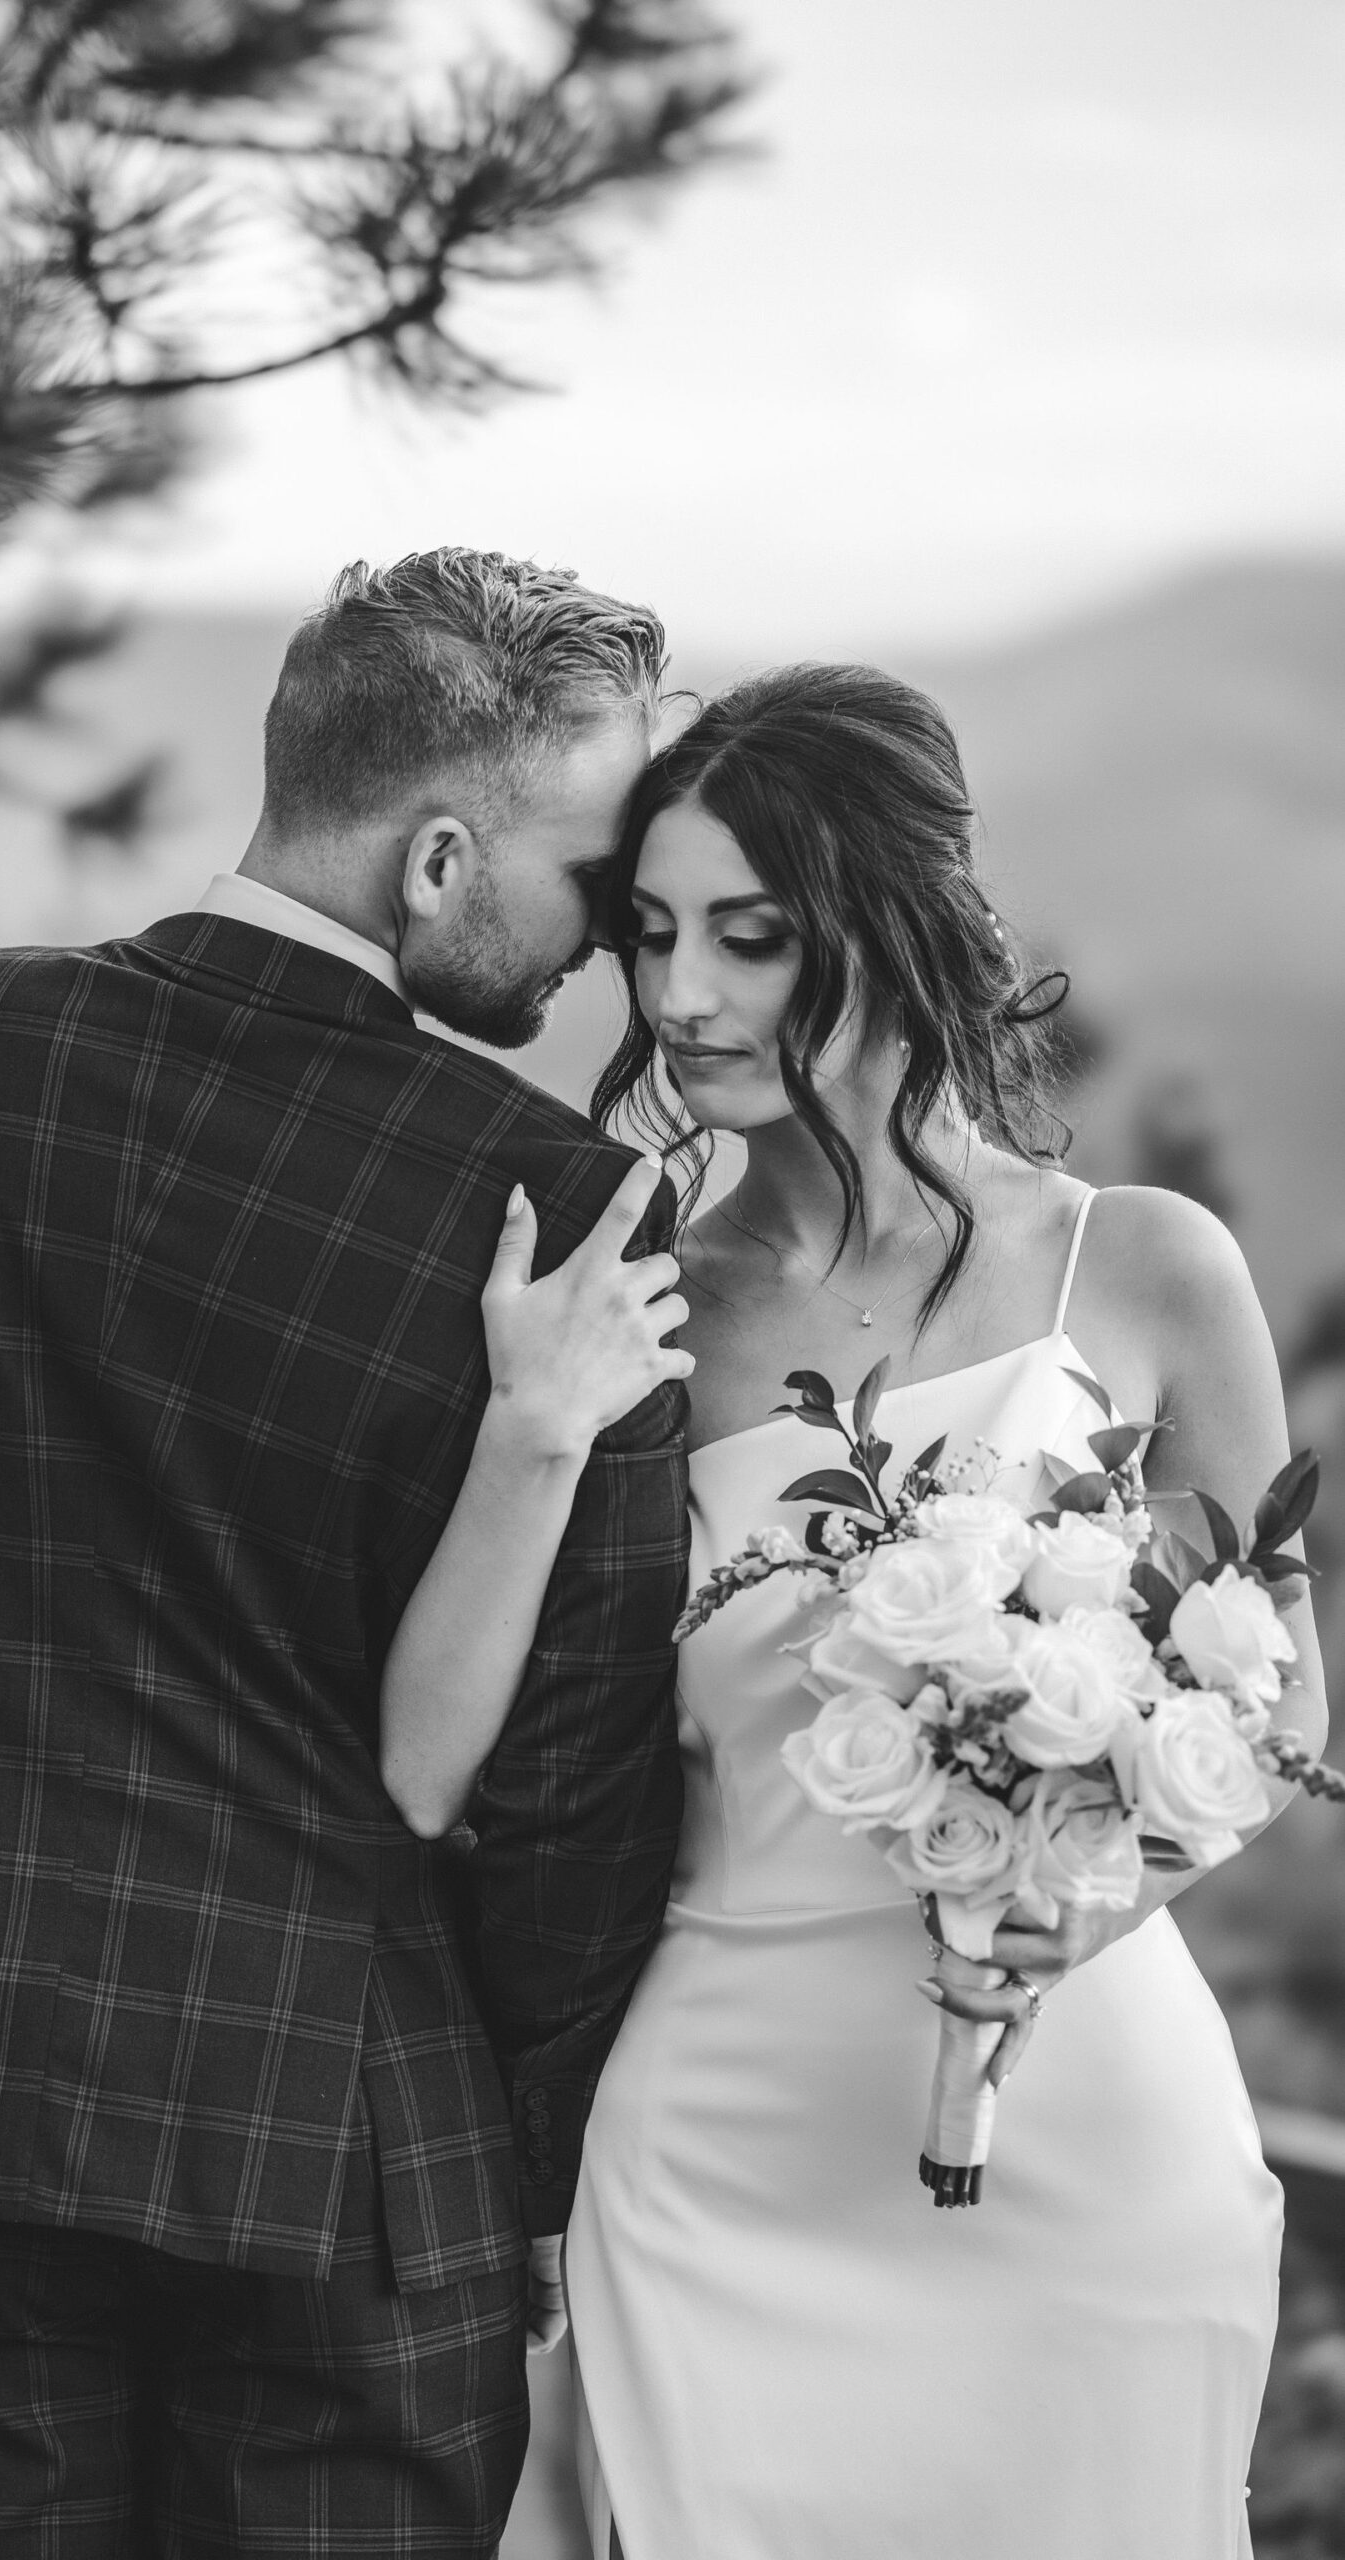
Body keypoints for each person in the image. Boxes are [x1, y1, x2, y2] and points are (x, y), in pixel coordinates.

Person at [0, 549, 696, 2559]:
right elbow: (573, 1778)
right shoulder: (557, 1213)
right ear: (432, 858)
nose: (605, 951)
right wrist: (531, 2173)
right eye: (586, 878)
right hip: (346, 2155)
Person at [380, 663, 1329, 2560]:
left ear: (899, 929)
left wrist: (1065, 1902)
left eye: (751, 936)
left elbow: (1286, 1714)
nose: (681, 996)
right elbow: (423, 1765)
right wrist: (531, 1435)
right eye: (650, 934)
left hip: (1087, 2142)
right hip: (722, 2154)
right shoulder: (628, 1298)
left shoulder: (1146, 1267)